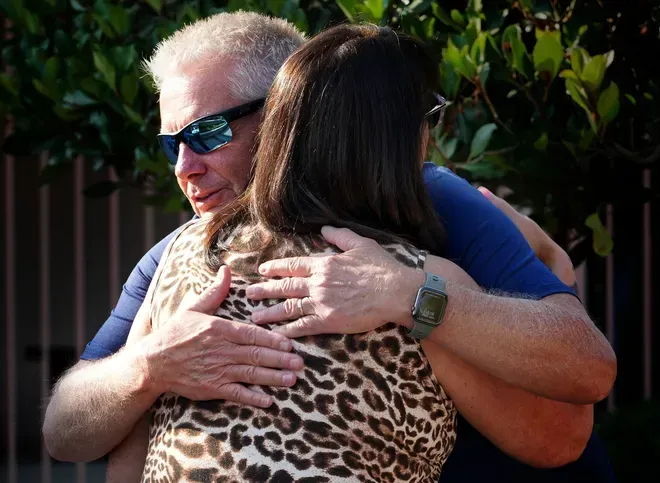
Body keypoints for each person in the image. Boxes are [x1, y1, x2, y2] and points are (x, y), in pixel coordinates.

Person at [41, 11, 616, 482]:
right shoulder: (181, 255)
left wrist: (414, 297)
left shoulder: (433, 202)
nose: (185, 169)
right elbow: (65, 434)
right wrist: (148, 366)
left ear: (285, 116)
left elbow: (569, 415)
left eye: (208, 134)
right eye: (172, 146)